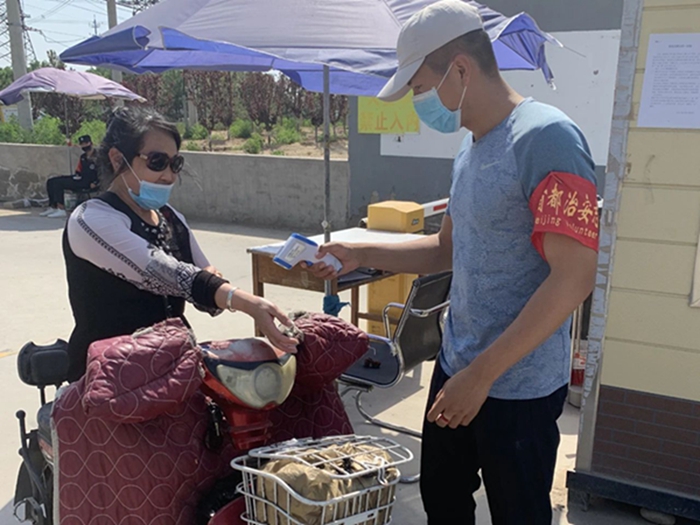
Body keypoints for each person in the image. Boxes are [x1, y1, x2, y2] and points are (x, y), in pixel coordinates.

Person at [305, 1, 599, 524]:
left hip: (518, 388)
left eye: (420, 87)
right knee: (443, 503)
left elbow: (574, 276)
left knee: (519, 513)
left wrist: (481, 377)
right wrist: (361, 252)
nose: (418, 102)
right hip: (457, 364)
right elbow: (445, 250)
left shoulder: (547, 139)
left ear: (460, 69)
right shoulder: (469, 148)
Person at [63, 106, 298, 382]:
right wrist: (246, 302)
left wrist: (213, 284)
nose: (169, 176)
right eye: (157, 162)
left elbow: (206, 288)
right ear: (117, 159)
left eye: (175, 164)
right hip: (109, 377)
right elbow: (164, 272)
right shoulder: (90, 220)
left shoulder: (170, 218)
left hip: (170, 366)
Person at [41, 134, 100, 219]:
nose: (84, 146)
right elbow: (78, 170)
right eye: (82, 144)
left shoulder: (99, 157)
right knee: (52, 181)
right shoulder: (83, 157)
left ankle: (61, 209)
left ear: (91, 143)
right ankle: (53, 207)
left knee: (59, 184)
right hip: (80, 179)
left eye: (86, 143)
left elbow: (103, 172)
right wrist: (76, 175)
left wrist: (96, 182)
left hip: (90, 183)